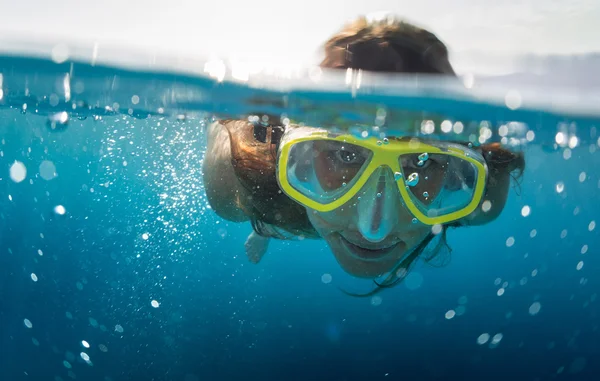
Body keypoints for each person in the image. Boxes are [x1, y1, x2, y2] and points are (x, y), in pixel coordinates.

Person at [202, 14, 525, 296]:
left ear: (458, 168)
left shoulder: (480, 198)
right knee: (262, 205)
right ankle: (266, 227)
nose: (375, 231)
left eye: (422, 162)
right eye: (344, 156)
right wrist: (264, 219)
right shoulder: (233, 184)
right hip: (270, 191)